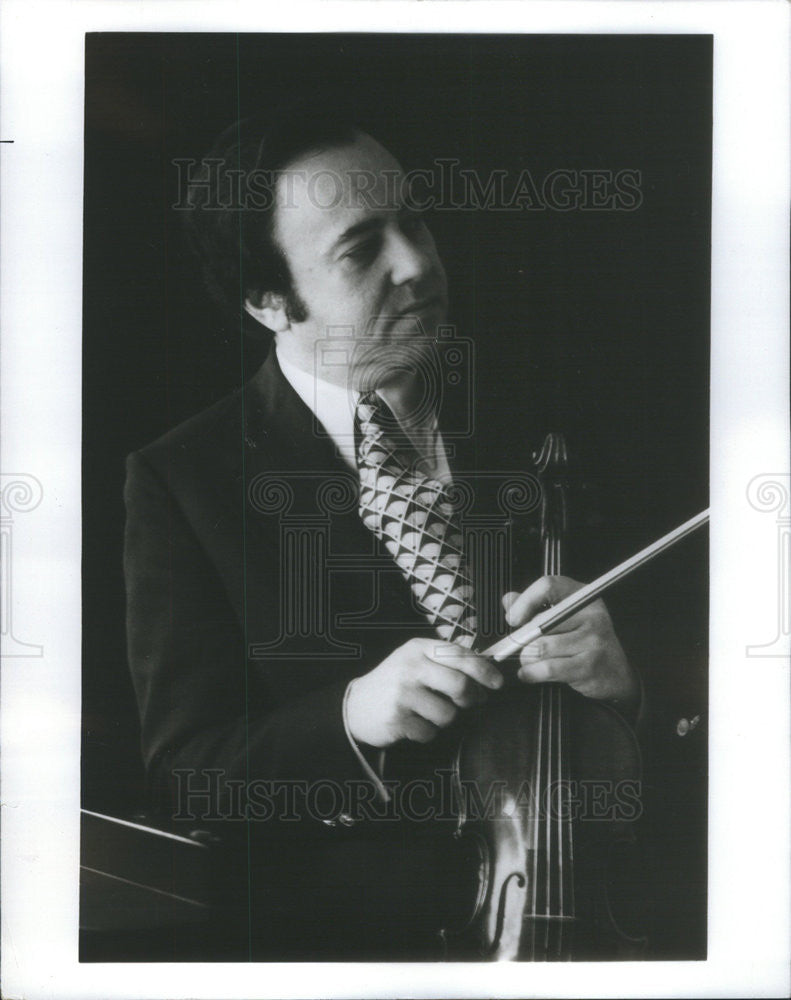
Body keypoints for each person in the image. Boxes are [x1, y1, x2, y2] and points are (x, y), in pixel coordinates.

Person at [123, 101, 641, 960]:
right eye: (361, 249)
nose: (417, 264)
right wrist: (350, 718)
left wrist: (626, 689)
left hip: (606, 918)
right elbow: (187, 776)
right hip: (364, 948)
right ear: (267, 301)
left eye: (415, 220)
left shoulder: (558, 399)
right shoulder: (184, 481)